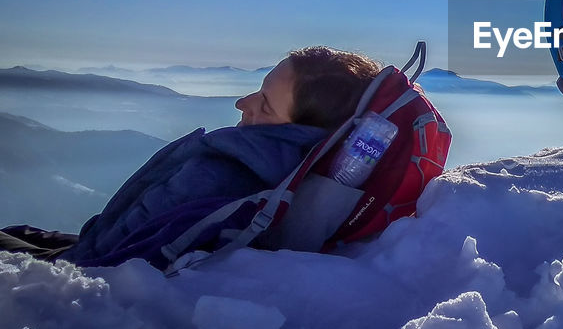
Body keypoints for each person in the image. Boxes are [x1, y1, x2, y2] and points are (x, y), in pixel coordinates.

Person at [0, 46, 381, 267]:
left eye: (264, 105)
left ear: (298, 131)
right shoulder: (265, 165)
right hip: (92, 241)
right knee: (18, 233)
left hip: (84, 262)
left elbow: (112, 265)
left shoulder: (225, 177)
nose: (241, 103)